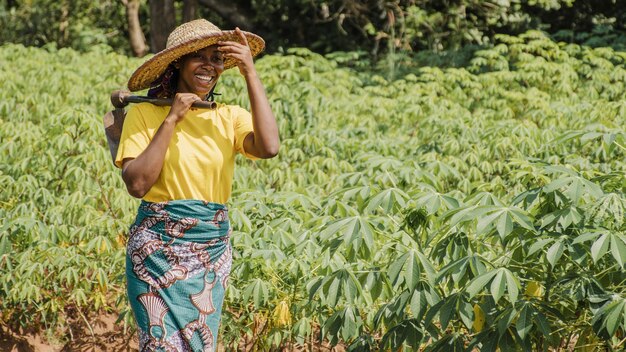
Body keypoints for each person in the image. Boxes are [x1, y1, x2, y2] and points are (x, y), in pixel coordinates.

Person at [114, 19, 279, 351]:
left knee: (200, 345)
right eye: (198, 57)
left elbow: (269, 147)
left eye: (216, 58)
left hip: (210, 252)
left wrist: (251, 73)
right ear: (178, 63)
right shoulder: (145, 113)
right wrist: (172, 118)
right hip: (155, 253)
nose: (210, 66)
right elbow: (137, 183)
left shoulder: (228, 116)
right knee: (162, 345)